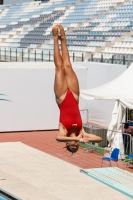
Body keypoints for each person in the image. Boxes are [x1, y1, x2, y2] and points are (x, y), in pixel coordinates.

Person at [52, 24, 102, 153]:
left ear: (67, 143)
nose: (74, 144)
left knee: (59, 67)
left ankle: (55, 38)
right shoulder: (82, 132)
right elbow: (99, 139)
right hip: (74, 96)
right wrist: (84, 139)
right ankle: (63, 38)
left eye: (71, 145)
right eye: (76, 146)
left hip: (62, 98)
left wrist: (77, 140)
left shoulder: (64, 132)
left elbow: (58, 138)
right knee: (68, 66)